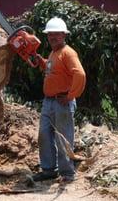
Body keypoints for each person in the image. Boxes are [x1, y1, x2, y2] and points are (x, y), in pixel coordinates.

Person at [33, 17, 86, 183]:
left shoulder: (68, 53)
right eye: (50, 35)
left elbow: (80, 74)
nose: (52, 37)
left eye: (56, 34)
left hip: (62, 101)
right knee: (44, 135)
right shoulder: (53, 53)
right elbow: (53, 70)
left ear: (64, 35)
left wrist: (71, 95)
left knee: (63, 137)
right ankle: (49, 169)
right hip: (48, 101)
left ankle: (67, 173)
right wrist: (41, 61)